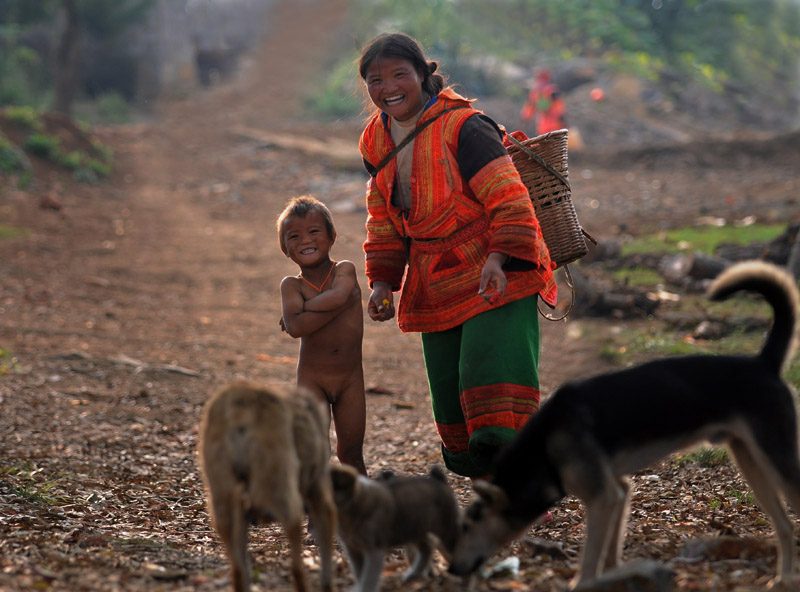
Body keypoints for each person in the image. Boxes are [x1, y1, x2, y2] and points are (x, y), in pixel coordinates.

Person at [356, 32, 558, 479]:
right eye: (375, 79)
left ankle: (526, 489)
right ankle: (497, 492)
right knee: (453, 404)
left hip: (496, 274)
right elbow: (383, 216)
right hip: (436, 283)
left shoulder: (465, 126)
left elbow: (508, 195)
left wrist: (498, 257)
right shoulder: (375, 140)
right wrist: (383, 282)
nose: (387, 87)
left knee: (493, 397)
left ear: (423, 75)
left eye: (398, 75)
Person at [277, 195, 368, 476]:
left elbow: (338, 295)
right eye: (294, 236)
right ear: (285, 249)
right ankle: (319, 515)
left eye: (314, 231)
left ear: (331, 237)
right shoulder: (291, 286)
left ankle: (364, 511)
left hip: (350, 381)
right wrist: (338, 304)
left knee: (350, 453)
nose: (305, 240)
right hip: (311, 381)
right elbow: (295, 328)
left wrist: (304, 310)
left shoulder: (344, 269)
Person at [520, 68, 567, 136]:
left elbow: (530, 108)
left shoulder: (536, 92)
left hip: (546, 125)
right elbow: (559, 108)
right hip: (553, 124)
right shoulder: (551, 90)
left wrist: (525, 118)